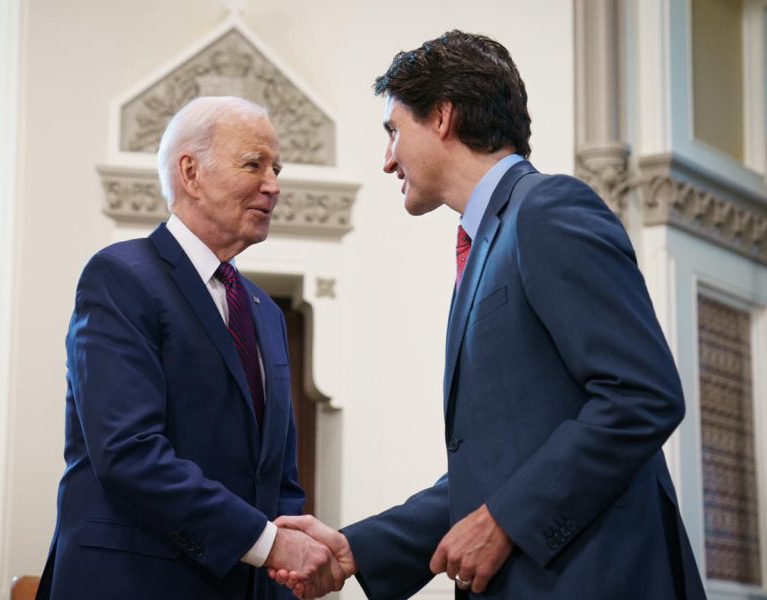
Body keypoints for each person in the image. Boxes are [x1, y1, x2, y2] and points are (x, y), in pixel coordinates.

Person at [272, 31, 706, 599]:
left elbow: (643, 395)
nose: (387, 159)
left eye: (394, 130)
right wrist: (361, 549)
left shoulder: (549, 209)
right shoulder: (486, 245)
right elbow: (495, 467)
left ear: (443, 116)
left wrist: (504, 520)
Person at [35, 96, 344, 600]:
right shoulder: (120, 277)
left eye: (277, 168)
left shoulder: (263, 310)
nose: (274, 184)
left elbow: (278, 477)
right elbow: (128, 453)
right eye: (254, 164)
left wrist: (287, 568)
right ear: (191, 172)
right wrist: (270, 545)